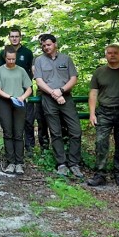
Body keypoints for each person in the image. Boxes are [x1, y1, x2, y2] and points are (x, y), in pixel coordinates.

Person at [33, 34, 83, 178]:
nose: (45, 47)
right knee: (55, 132)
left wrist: (61, 91)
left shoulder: (66, 59)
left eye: (48, 44)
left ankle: (74, 163)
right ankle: (61, 163)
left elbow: (73, 78)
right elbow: (39, 81)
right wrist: (54, 94)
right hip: (48, 99)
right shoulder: (39, 61)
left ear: (55, 44)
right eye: (43, 45)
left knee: (76, 130)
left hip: (66, 98)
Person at [87, 44, 119, 187]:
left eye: (115, 53)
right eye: (109, 53)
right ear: (106, 55)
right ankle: (100, 174)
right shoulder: (99, 72)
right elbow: (93, 93)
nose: (112, 55)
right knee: (101, 143)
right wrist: (92, 113)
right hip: (104, 111)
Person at [0, 46, 32, 175]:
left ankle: (19, 162)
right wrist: (8, 96)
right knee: (8, 132)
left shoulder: (21, 71)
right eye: (9, 59)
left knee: (18, 133)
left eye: (13, 59)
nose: (11, 61)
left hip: (19, 103)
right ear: (5, 58)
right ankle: (10, 162)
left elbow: (29, 88)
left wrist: (22, 97)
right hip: (5, 102)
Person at [0, 28, 35, 154]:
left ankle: (29, 147)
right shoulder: (4, 52)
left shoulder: (28, 53)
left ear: (20, 37)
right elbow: (2, 72)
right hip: (8, 93)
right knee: (9, 126)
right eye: (12, 36)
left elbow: (32, 70)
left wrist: (25, 92)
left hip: (25, 90)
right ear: (9, 38)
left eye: (17, 36)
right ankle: (10, 153)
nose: (14, 38)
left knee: (28, 120)